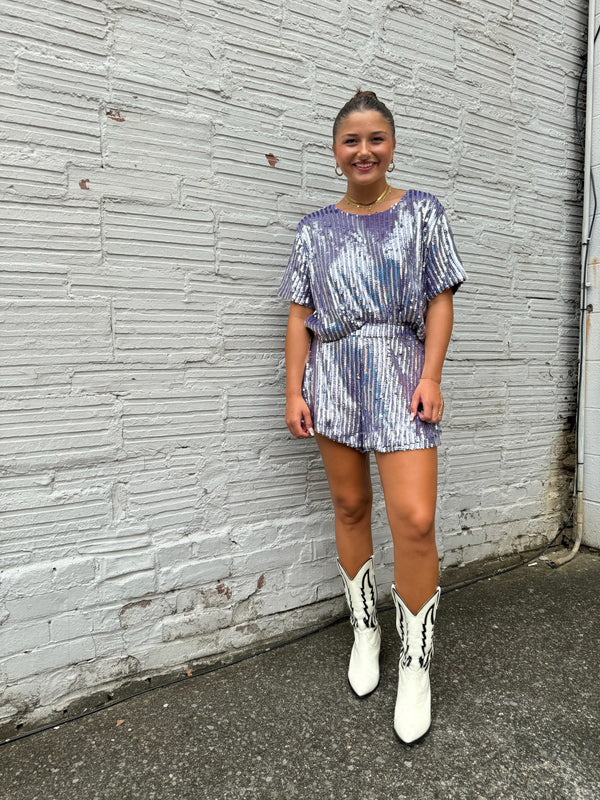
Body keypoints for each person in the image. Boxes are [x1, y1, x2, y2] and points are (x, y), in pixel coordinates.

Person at [278, 90, 467, 745]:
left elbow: (440, 300)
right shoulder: (312, 230)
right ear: (336, 153)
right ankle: (366, 631)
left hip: (400, 370)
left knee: (414, 519)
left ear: (391, 146)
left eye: (375, 139)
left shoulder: (422, 214)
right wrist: (294, 390)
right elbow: (299, 316)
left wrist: (431, 375)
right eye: (351, 140)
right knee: (350, 506)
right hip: (332, 376)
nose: (364, 150)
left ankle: (415, 663)